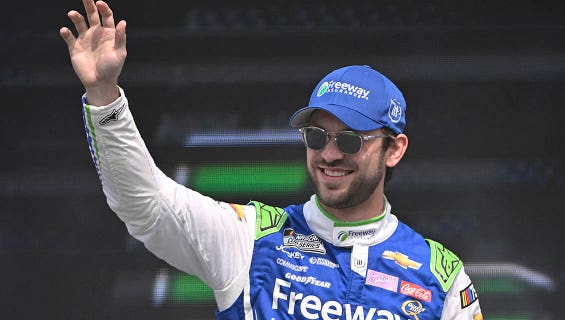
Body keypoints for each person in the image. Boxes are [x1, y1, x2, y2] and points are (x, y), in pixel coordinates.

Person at [60, 1, 483, 319]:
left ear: (395, 149)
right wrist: (104, 97)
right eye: (317, 136)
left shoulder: (441, 278)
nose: (330, 154)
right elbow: (144, 203)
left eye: (351, 141)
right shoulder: (252, 240)